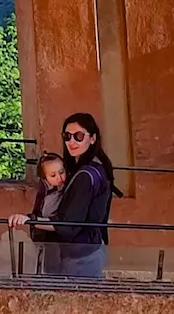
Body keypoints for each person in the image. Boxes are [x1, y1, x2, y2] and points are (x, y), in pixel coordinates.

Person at [49, 113, 115, 278]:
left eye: (78, 136)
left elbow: (68, 226)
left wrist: (30, 220)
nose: (71, 141)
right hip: (92, 250)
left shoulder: (85, 175)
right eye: (67, 136)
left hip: (80, 257)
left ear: (92, 138)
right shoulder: (97, 169)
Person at [7, 152, 68, 272]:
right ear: (45, 179)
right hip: (47, 237)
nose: (59, 178)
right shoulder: (46, 194)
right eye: (53, 175)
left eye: (61, 172)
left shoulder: (67, 189)